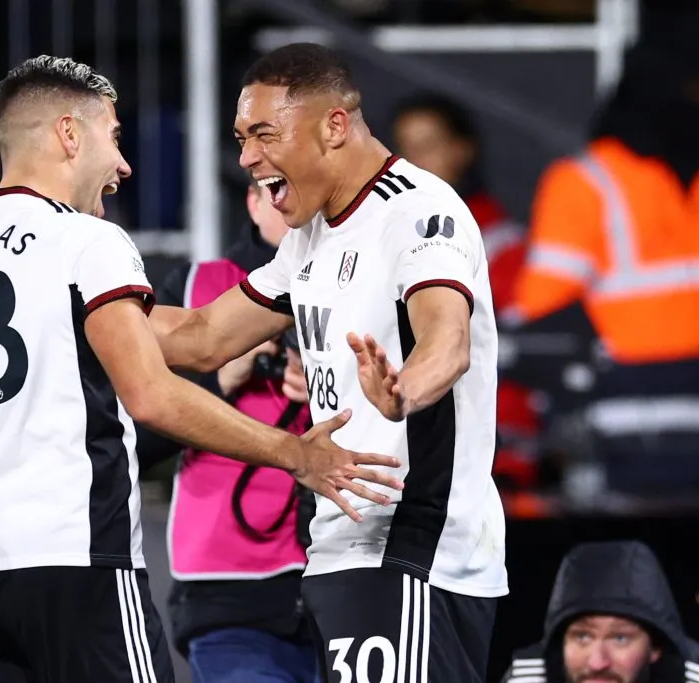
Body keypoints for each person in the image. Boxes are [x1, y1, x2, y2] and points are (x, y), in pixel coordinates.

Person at [0, 55, 404, 683]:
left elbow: (194, 339)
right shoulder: (85, 241)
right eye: (113, 136)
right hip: (74, 564)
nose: (124, 165)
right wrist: (296, 454)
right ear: (70, 135)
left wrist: (305, 272)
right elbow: (153, 396)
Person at [150, 43, 508, 682]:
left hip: (414, 548)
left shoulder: (417, 210)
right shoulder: (310, 238)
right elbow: (200, 337)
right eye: (240, 137)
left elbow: (447, 343)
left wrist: (405, 390)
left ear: (334, 126)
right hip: (343, 552)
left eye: (264, 134)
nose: (247, 158)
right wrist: (81, 303)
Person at [507, 7, 699, 501]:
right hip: (627, 434)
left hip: (634, 428)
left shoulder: (586, 182)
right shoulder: (588, 184)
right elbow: (543, 324)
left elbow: (539, 323)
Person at [135, 181, 318, 683]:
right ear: (252, 203)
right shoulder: (195, 290)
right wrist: (219, 376)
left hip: (351, 575)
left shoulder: (364, 282)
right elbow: (133, 441)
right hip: (229, 587)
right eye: (273, 190)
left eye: (299, 185)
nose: (291, 204)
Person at [390, 93, 541, 512]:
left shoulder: (502, 243)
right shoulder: (382, 234)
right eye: (406, 146)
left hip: (492, 449)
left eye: (429, 144)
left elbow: (514, 356)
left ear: (462, 150)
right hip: (409, 442)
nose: (415, 159)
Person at [498, 540, 699, 683]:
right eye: (582, 636)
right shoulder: (529, 677)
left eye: (620, 638)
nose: (597, 662)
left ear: (656, 648)